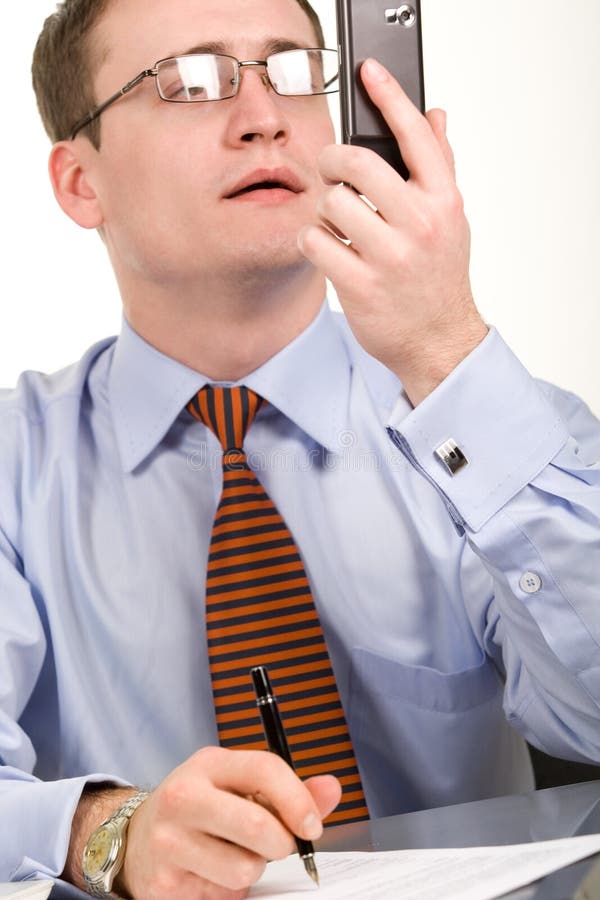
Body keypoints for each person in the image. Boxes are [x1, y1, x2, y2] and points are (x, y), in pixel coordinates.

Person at [1, 0, 599, 895]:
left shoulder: (490, 427)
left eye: (289, 71)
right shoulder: (14, 466)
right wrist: (109, 829)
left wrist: (445, 352)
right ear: (80, 181)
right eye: (191, 80)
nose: (265, 116)